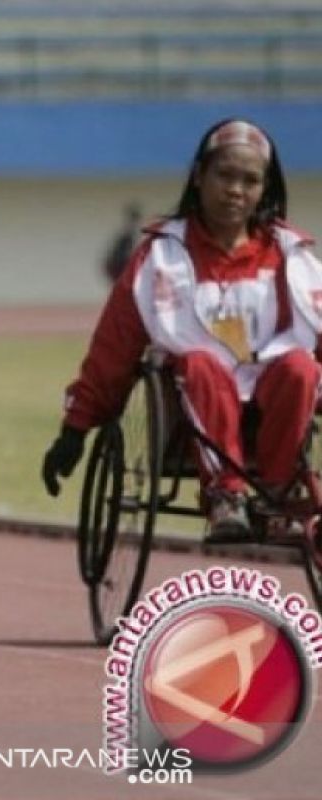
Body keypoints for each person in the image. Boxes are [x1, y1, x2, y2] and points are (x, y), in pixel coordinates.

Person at [41, 118, 322, 543]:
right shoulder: (160, 256)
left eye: (250, 180)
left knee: (302, 366)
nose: (235, 190)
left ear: (264, 188)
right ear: (198, 176)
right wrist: (75, 430)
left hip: (276, 394)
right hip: (195, 396)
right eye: (224, 175)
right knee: (200, 363)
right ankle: (225, 496)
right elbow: (114, 347)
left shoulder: (292, 256)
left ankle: (279, 496)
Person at [102, 202, 143, 284]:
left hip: (118, 265)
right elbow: (123, 252)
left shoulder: (128, 232)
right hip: (117, 264)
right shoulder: (127, 233)